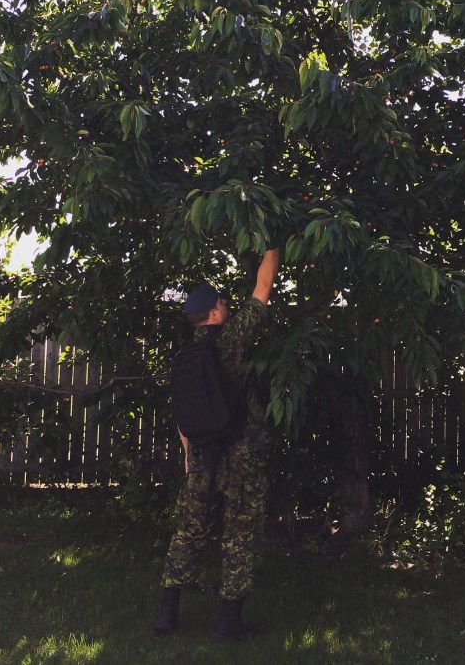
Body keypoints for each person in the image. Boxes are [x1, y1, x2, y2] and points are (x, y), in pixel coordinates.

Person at [153, 247, 280, 642]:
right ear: (213, 313)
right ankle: (228, 622)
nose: (227, 305)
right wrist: (272, 241)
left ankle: (167, 614)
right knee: (239, 533)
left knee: (189, 530)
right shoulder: (230, 342)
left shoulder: (185, 357)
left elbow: (184, 414)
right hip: (239, 455)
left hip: (201, 455)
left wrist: (188, 455)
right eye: (223, 303)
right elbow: (263, 286)